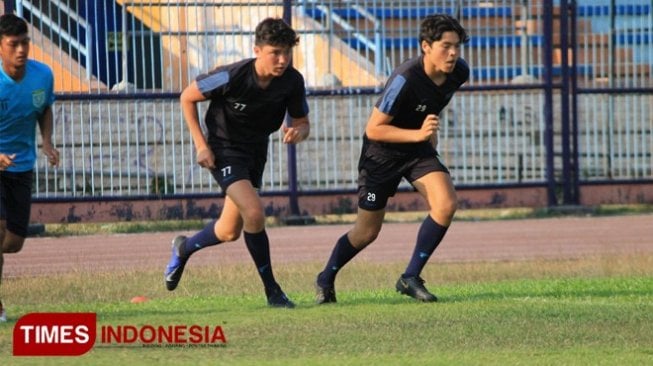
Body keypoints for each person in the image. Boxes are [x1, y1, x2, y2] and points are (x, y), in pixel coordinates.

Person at [315, 14, 469, 304]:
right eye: (446, 46)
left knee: (446, 204)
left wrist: (427, 128)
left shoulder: (459, 72)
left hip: (416, 151)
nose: (453, 53)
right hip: (381, 156)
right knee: (367, 232)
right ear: (426, 46)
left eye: (457, 46)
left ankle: (410, 276)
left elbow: (434, 101)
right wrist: (419, 133)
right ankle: (326, 277)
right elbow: (374, 129)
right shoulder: (404, 79)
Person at [164, 18, 310, 308]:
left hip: (256, 150)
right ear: (257, 50)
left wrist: (299, 132)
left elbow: (303, 123)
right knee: (254, 213)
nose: (282, 60)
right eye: (275, 53)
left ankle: (184, 248)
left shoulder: (292, 81)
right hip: (225, 149)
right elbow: (187, 97)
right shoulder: (231, 76)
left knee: (229, 230)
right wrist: (201, 146)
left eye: (286, 53)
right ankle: (273, 292)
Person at [0, 14, 59, 321]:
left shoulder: (42, 75)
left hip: (21, 165)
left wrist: (46, 141)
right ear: (0, 46)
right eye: (14, 44)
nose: (21, 50)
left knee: (13, 243)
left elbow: (45, 107)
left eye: (25, 43)